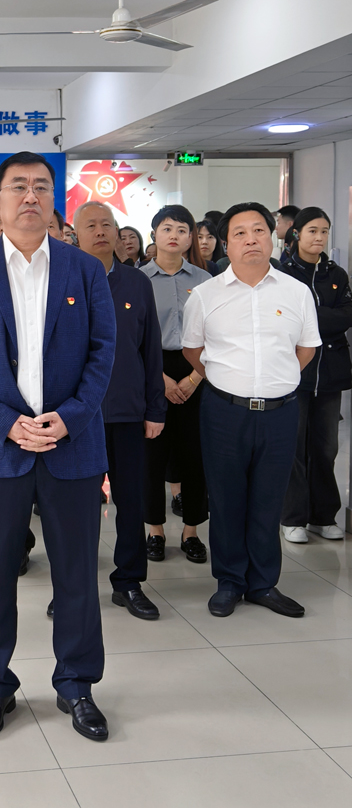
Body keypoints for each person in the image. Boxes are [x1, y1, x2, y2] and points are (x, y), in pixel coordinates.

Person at [0, 151, 115, 743]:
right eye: (18, 186)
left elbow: (103, 353)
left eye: (41, 186)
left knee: (77, 575)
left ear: (53, 199)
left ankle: (77, 683)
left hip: (72, 444)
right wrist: (6, 422)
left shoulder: (84, 270)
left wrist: (69, 419)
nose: (30, 196)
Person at [183, 203, 321, 618]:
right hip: (224, 411)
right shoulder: (206, 294)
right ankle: (230, 582)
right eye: (239, 233)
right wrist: (232, 379)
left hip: (280, 412)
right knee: (227, 499)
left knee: (268, 499)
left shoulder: (296, 291)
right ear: (226, 244)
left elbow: (306, 348)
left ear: (273, 236)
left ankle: (263, 583)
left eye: (258, 230)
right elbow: (193, 350)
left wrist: (274, 380)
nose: (251, 240)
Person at [73, 202, 166, 620]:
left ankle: (128, 582)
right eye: (90, 225)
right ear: (76, 234)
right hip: (76, 416)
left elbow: (151, 350)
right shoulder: (62, 279)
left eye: (106, 224)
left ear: (117, 231)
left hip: (128, 411)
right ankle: (73, 587)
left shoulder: (137, 283)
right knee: (77, 507)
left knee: (131, 500)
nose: (100, 232)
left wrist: (155, 409)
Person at [141, 205, 212, 564]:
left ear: (190, 238)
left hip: (197, 369)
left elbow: (217, 334)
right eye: (167, 228)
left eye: (182, 230)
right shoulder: (138, 279)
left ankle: (191, 532)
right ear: (153, 234)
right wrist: (161, 379)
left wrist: (195, 376)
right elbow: (132, 339)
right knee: (152, 456)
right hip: (152, 369)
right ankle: (155, 530)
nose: (174, 235)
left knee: (194, 455)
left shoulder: (206, 280)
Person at [280, 208, 351, 542]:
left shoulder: (336, 273)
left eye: (324, 231)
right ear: (297, 234)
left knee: (325, 449)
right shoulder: (283, 273)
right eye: (312, 231)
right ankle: (293, 517)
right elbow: (286, 319)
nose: (319, 237)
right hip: (294, 371)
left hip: (331, 372)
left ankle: (323, 516)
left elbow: (346, 317)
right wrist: (323, 317)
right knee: (293, 447)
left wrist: (310, 315)